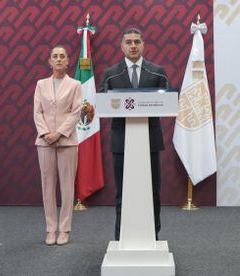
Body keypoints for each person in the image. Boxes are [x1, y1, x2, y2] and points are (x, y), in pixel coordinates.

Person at [98, 28, 169, 240]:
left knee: (152, 191)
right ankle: (121, 236)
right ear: (121, 46)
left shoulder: (157, 71)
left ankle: (153, 235)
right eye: (128, 42)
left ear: (143, 45)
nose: (133, 45)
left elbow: (167, 102)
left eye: (137, 41)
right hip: (121, 142)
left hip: (150, 142)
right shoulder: (111, 74)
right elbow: (101, 102)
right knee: (123, 192)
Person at [33, 46, 83, 245]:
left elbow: (76, 111)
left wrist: (59, 133)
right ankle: (50, 229)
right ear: (49, 61)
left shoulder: (75, 84)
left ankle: (65, 229)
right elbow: (37, 112)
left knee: (67, 187)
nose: (59, 59)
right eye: (55, 56)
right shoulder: (41, 84)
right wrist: (46, 133)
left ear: (68, 61)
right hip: (44, 141)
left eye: (62, 56)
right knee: (47, 186)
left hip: (67, 141)